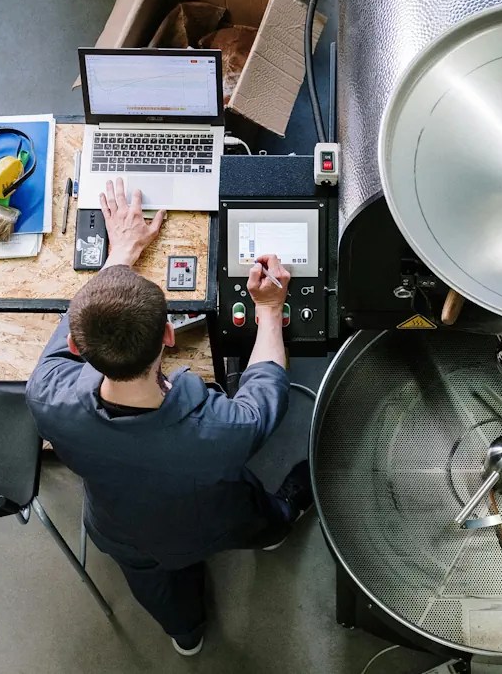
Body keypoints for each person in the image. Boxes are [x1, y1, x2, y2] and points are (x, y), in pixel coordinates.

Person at [26, 178, 312, 656]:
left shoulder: (47, 393)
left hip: (123, 532)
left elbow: (83, 319)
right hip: (215, 522)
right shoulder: (220, 432)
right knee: (263, 518)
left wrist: (120, 254)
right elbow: (266, 388)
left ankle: (187, 635)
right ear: (168, 336)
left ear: (76, 348)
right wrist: (268, 309)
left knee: (162, 592)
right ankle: (277, 529)